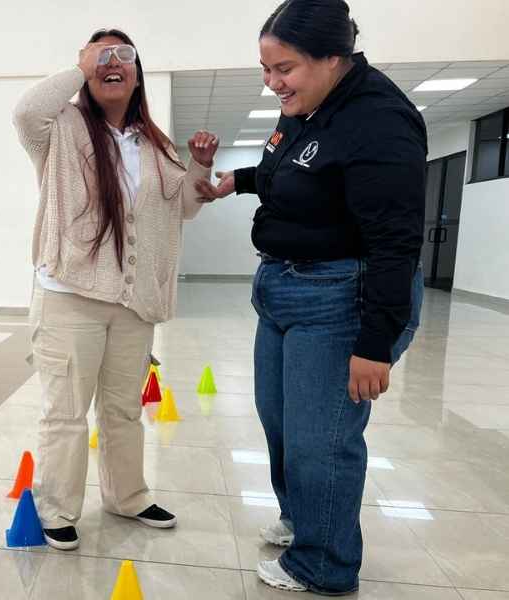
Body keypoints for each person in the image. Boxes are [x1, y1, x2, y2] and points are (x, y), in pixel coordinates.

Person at [197, 0, 426, 593]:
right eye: (266, 69)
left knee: (320, 439)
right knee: (279, 422)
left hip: (339, 298)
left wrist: (375, 343)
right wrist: (239, 180)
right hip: (281, 289)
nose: (273, 83)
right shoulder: (308, 108)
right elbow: (290, 170)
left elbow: (395, 241)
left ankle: (324, 563)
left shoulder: (379, 120)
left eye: (285, 69)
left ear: (333, 58)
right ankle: (303, 517)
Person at [12, 28, 219, 550]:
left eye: (123, 56)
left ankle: (126, 496)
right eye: (102, 55)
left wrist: (200, 166)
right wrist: (81, 65)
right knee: (66, 411)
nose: (112, 63)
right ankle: (57, 507)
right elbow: (24, 111)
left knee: (124, 409)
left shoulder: (154, 143)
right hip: (69, 294)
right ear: (86, 67)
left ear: (137, 74)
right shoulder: (60, 130)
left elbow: (185, 209)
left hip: (132, 303)